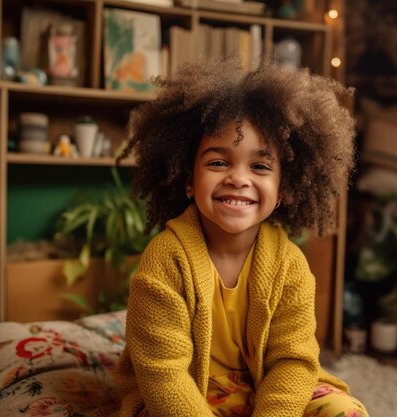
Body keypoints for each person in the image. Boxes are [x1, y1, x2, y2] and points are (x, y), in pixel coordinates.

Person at [113, 59, 368, 417]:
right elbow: (163, 372)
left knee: (347, 412)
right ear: (188, 180)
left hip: (267, 388)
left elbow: (292, 362)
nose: (238, 178)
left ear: (282, 190)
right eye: (218, 163)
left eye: (260, 166)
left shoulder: (290, 265)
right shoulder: (166, 257)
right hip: (186, 395)